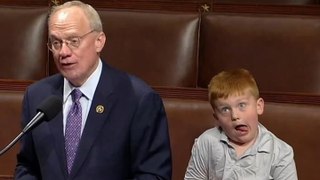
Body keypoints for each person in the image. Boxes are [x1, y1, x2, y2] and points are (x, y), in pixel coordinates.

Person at [14, 1, 172, 179]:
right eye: (56, 42)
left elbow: (153, 174)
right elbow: (27, 166)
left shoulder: (138, 100)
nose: (63, 52)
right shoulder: (37, 96)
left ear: (99, 41)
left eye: (73, 41)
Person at [184, 68, 297, 180]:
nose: (235, 116)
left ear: (259, 106)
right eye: (225, 109)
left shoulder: (281, 153)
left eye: (242, 105)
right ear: (217, 118)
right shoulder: (206, 142)